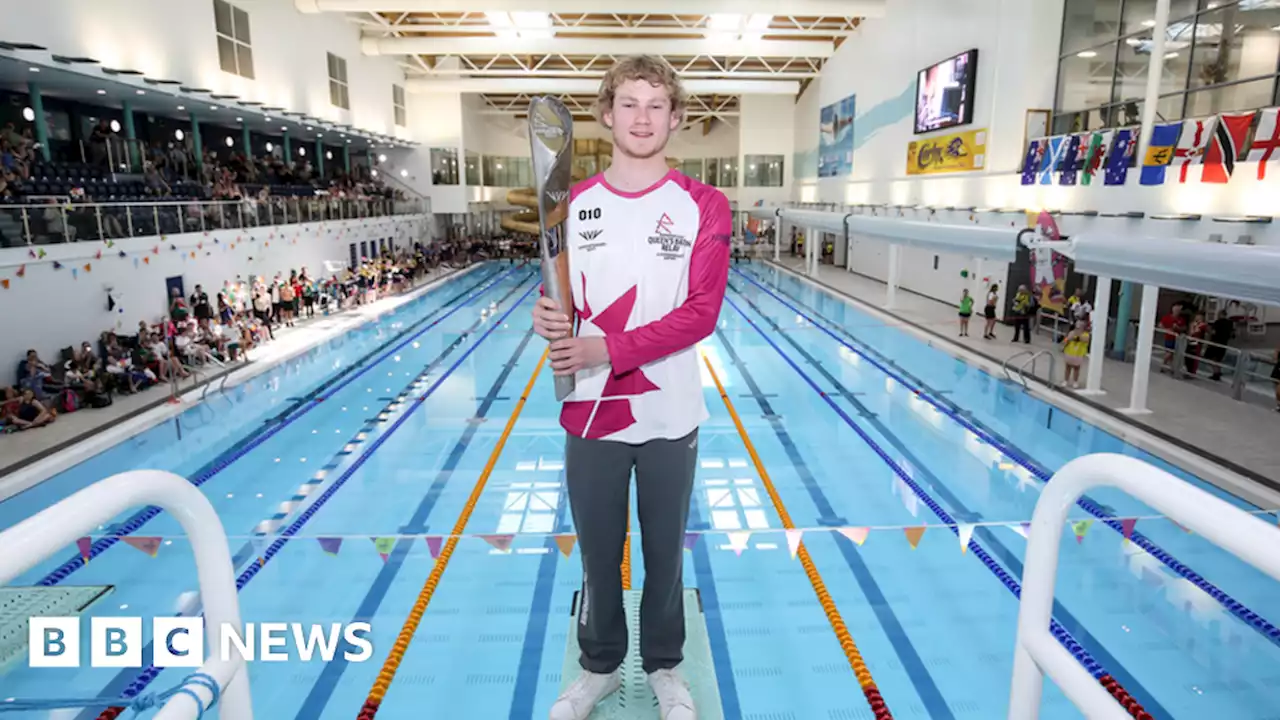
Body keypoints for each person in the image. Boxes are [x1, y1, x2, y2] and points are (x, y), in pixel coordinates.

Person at [531, 54, 730, 720]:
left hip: (670, 411)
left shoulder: (703, 205)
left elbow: (701, 312)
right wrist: (547, 313)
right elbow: (561, 295)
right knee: (596, 551)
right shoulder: (574, 206)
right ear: (606, 113)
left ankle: (665, 667)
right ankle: (601, 667)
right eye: (629, 103)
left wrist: (604, 347)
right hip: (591, 413)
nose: (642, 117)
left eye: (656, 105)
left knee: (664, 554)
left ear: (675, 118)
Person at [1061, 320, 1090, 389]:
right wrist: (1068, 338)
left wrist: (1079, 334)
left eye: (1080, 326)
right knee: (1068, 367)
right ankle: (1066, 380)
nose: (1078, 328)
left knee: (1076, 368)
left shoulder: (1086, 335)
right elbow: (1065, 341)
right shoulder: (1071, 333)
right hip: (1069, 352)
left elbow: (1085, 340)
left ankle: (1075, 381)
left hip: (1078, 354)